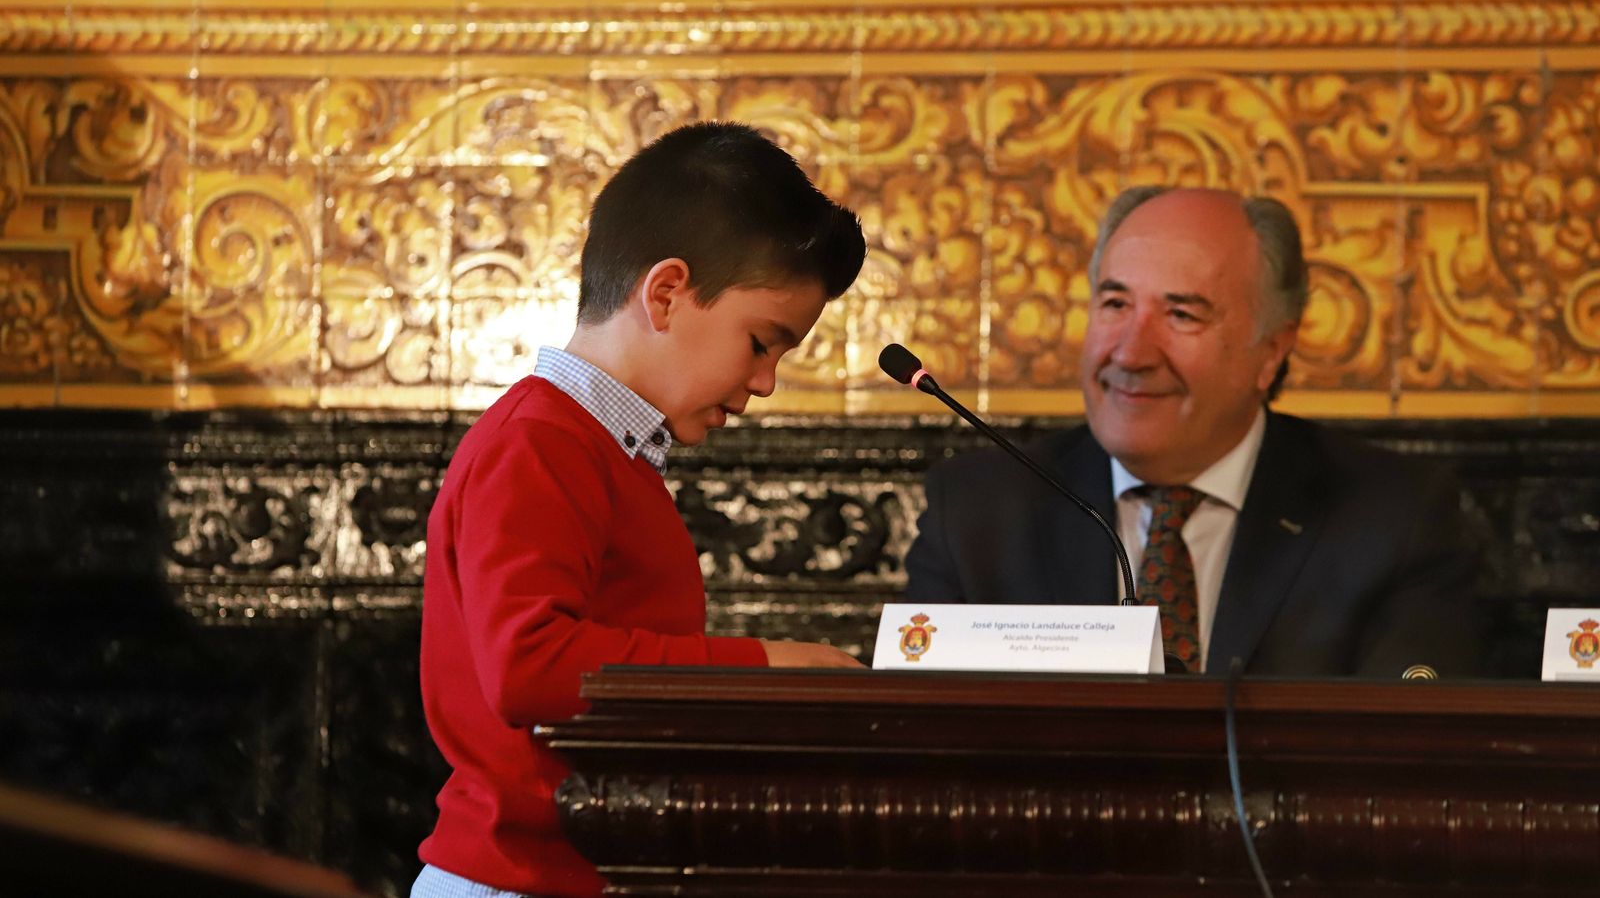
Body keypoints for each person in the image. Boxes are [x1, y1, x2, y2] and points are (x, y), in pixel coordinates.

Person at [414, 121, 867, 898]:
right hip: (518, 878)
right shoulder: (539, 440)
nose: (765, 382)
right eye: (762, 342)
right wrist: (766, 667)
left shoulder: (602, 450)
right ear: (665, 293)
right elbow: (528, 666)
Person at [905, 186, 1483, 677]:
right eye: (1115, 304)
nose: (1131, 354)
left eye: (1181, 315)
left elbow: (1406, 747)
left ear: (1272, 349)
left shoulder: (1395, 516)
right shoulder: (979, 512)